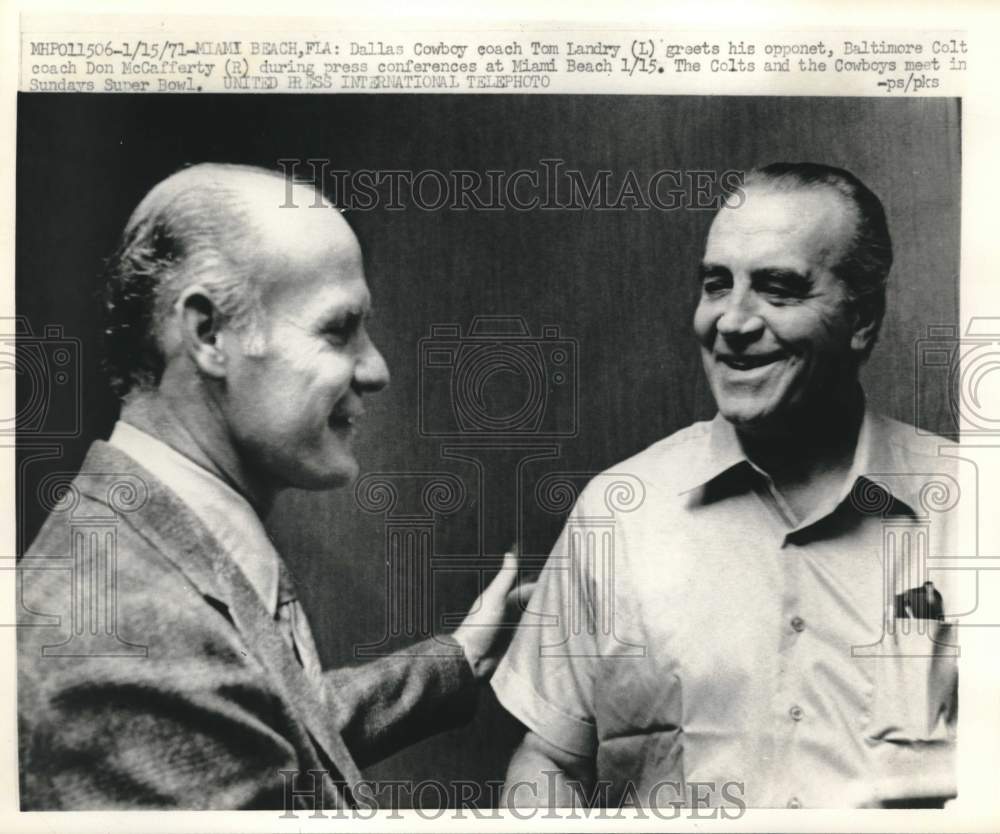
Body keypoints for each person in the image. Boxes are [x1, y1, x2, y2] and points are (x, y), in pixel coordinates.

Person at [17, 163, 531, 810]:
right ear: (211, 334)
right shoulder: (128, 643)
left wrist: (461, 658)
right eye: (338, 329)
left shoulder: (155, 545)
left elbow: (267, 721)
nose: (377, 369)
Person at [493, 162, 963, 809]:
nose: (733, 322)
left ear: (863, 318)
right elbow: (549, 759)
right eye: (717, 285)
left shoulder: (972, 512)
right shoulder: (619, 514)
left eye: (777, 289)